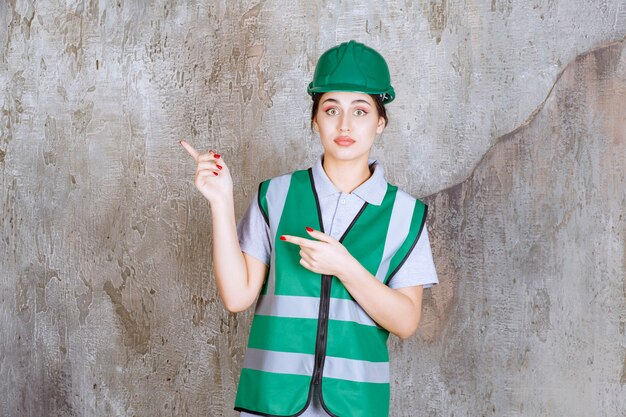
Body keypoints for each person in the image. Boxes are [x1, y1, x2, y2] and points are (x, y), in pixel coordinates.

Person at [181, 40, 438, 417]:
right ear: (315, 119)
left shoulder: (405, 214)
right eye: (331, 109)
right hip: (270, 401)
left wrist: (345, 266)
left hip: (356, 407)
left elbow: (406, 322)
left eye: (361, 110)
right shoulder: (276, 195)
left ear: (380, 122)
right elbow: (237, 297)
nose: (345, 124)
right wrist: (221, 201)